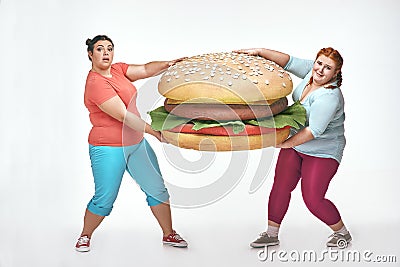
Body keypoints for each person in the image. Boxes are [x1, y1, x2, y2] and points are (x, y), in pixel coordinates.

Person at [75, 35, 188, 252]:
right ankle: (85, 235)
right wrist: (154, 132)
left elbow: (145, 69)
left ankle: (168, 234)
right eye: (100, 49)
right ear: (90, 54)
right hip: (108, 148)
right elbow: (125, 116)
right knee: (104, 199)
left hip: (135, 143)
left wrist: (168, 64)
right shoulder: (95, 84)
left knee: (157, 189)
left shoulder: (117, 70)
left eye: (109, 48)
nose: (106, 52)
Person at [235, 47, 351, 248]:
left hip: (322, 151)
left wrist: (284, 143)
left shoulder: (329, 97)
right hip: (297, 143)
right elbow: (287, 61)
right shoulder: (311, 72)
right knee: (280, 186)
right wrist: (259, 51)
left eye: (328, 68)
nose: (321, 70)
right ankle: (271, 234)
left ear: (336, 73)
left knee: (313, 198)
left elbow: (313, 131)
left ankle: (342, 232)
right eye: (319, 63)